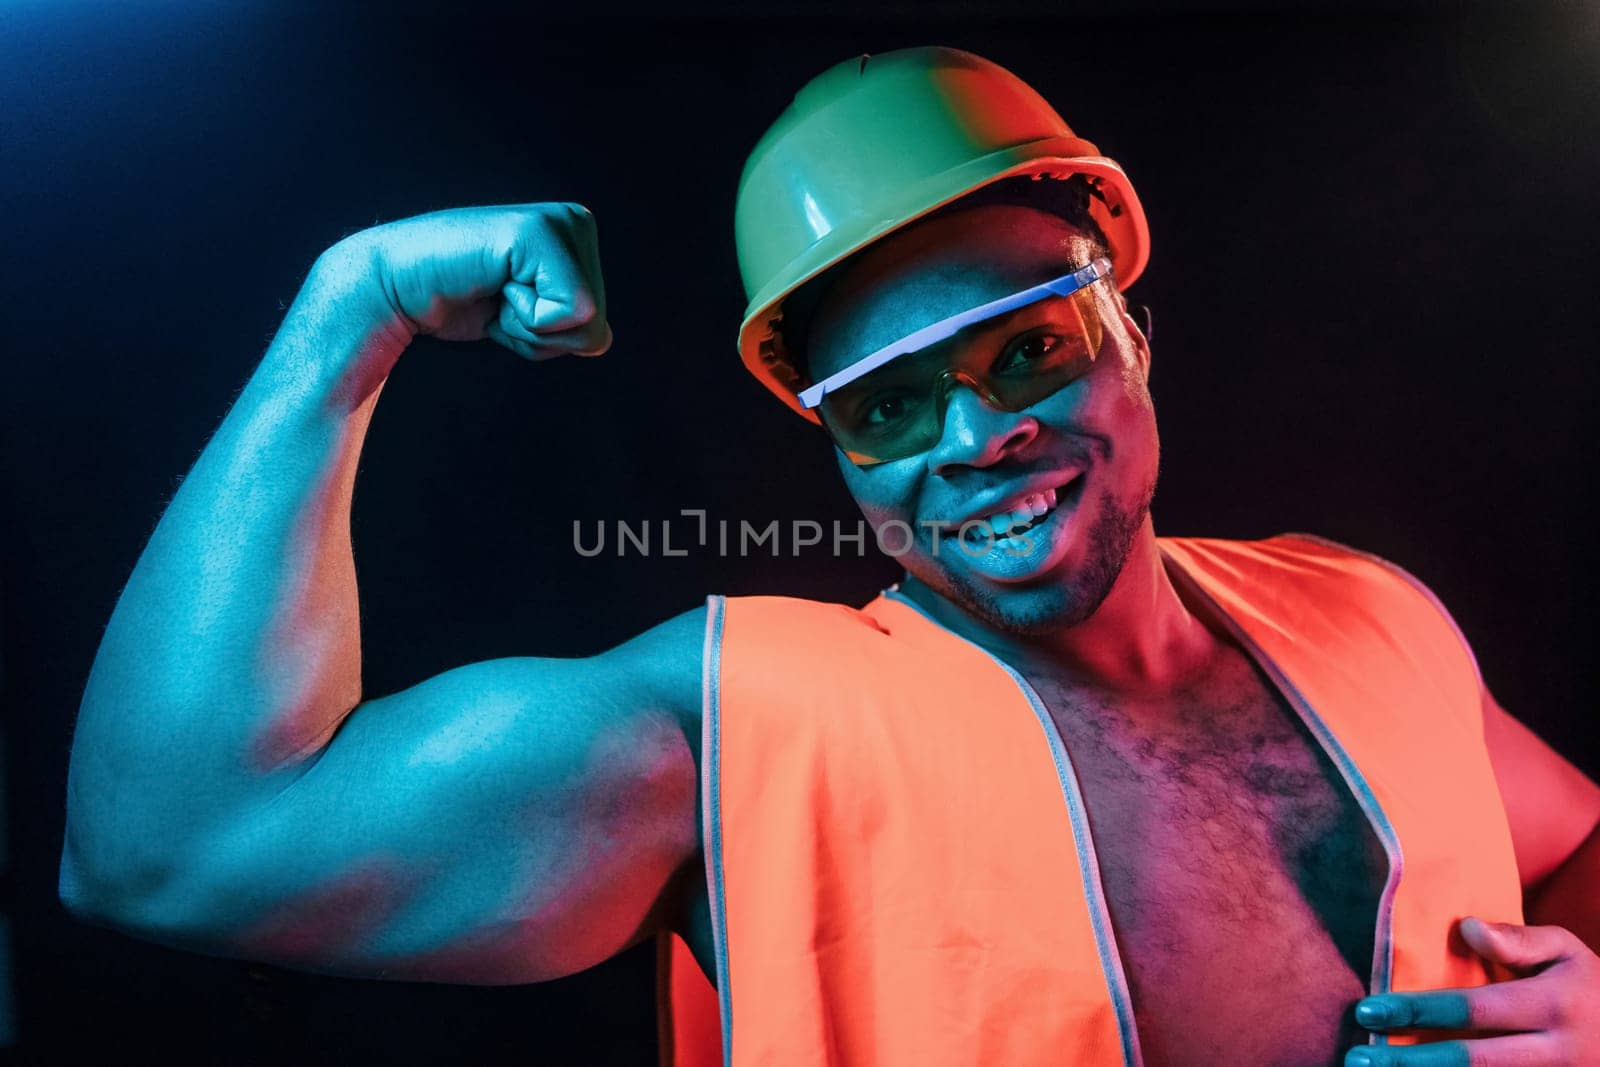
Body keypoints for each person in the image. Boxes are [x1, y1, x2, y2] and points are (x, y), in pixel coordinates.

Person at [58, 45, 1597, 1067]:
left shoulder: (1367, 616)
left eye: (1028, 352)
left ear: (1131, 326)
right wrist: (352, 314)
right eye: (888, 405)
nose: (972, 437)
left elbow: (1573, 838)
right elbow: (169, 847)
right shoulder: (740, 728)